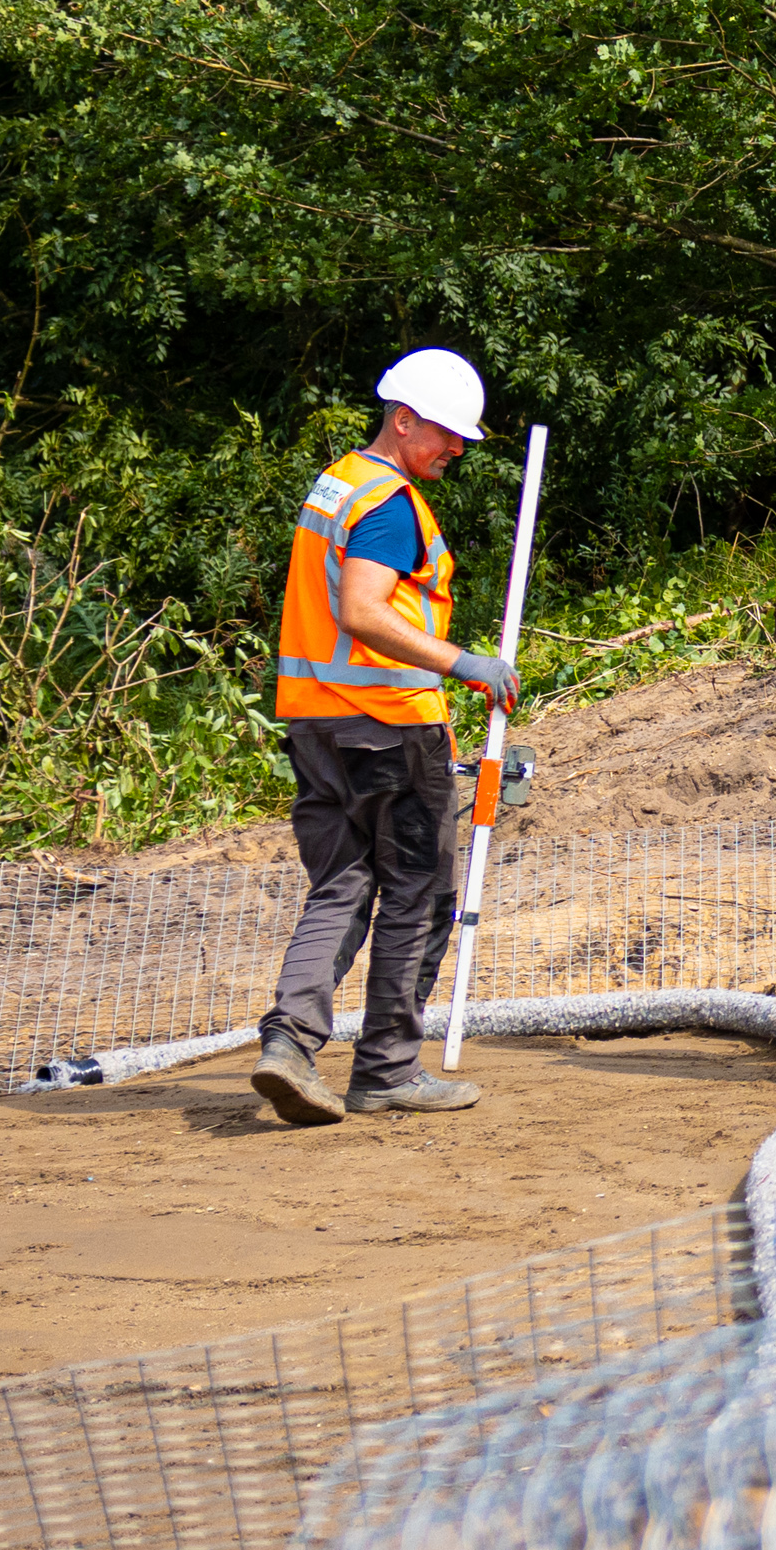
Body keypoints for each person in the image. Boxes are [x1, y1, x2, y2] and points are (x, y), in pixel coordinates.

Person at [254, 346, 520, 1126]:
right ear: (403, 420)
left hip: (315, 726)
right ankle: (386, 1071)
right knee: (418, 893)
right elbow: (364, 611)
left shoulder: (338, 483)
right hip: (389, 729)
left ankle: (289, 1045)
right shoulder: (390, 505)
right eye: (446, 434)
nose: (457, 450)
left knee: (341, 886)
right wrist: (462, 661)